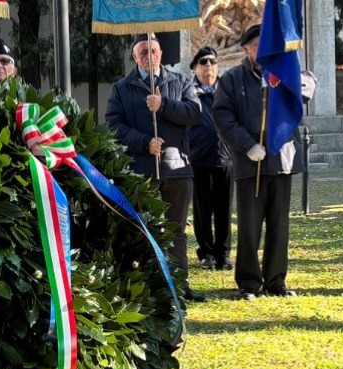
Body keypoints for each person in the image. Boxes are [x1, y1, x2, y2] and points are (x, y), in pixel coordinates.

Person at [105, 34, 205, 303]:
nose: (149, 56)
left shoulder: (179, 81)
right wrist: (144, 142)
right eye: (143, 53)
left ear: (162, 53)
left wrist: (164, 106)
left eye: (154, 51)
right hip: (141, 169)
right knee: (144, 231)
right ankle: (148, 287)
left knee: (176, 231)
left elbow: (193, 113)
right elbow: (114, 126)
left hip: (176, 168)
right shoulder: (122, 88)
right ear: (135, 57)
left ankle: (179, 287)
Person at [213, 24, 307, 300]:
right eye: (255, 47)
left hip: (281, 160)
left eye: (264, 46)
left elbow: (307, 86)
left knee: (279, 226)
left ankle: (276, 280)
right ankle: (249, 282)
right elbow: (223, 117)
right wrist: (247, 145)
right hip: (249, 163)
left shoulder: (283, 75)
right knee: (250, 226)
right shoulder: (231, 80)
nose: (260, 51)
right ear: (245, 49)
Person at [187, 46, 233, 271]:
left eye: (212, 62)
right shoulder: (188, 92)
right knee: (202, 210)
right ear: (195, 67)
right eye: (203, 62)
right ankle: (206, 252)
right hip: (199, 159)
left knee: (224, 210)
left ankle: (223, 253)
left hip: (225, 158)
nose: (208, 66)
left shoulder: (226, 90)